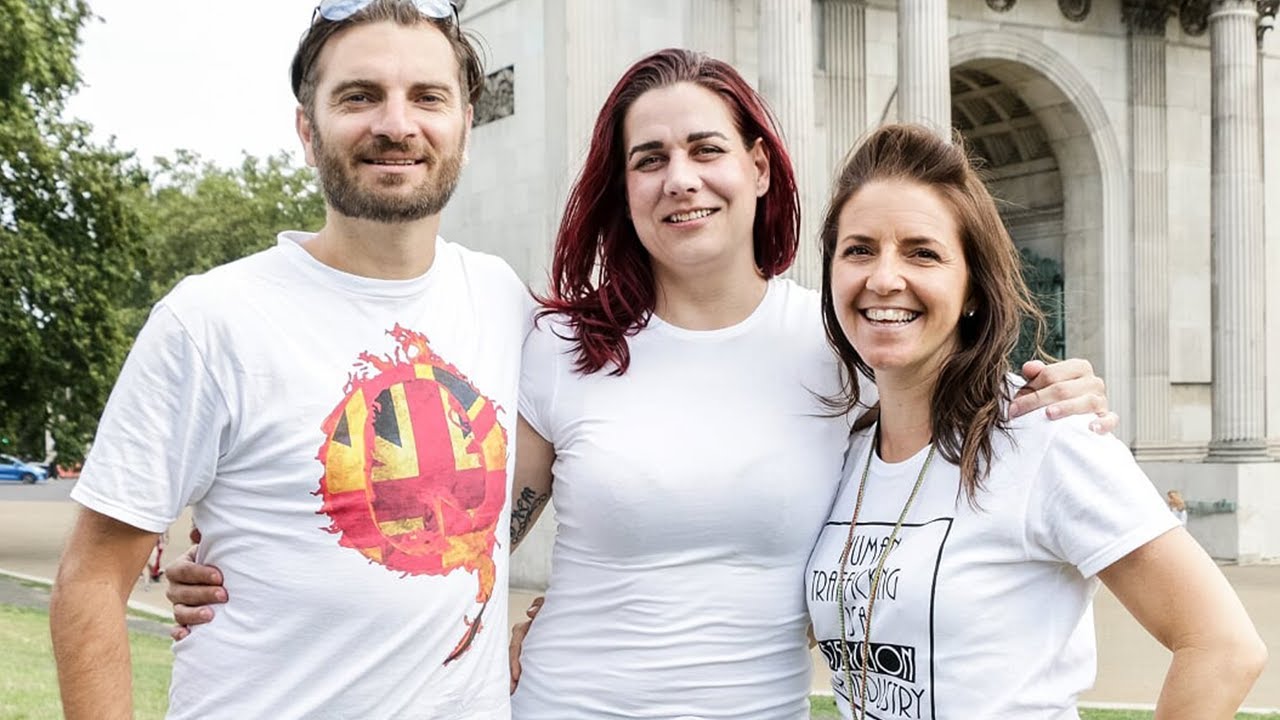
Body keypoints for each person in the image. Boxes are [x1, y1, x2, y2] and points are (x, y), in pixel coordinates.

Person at [166, 49, 1113, 718]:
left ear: (756, 163)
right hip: (566, 705)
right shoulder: (557, 346)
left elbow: (949, 408)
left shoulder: (843, 344)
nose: (680, 180)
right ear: (622, 189)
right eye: (647, 159)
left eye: (705, 149)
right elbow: (468, 529)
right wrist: (242, 558)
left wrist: (1063, 393)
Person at [49, 2, 527, 718]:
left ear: (464, 125)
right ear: (308, 131)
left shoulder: (504, 301)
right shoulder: (209, 320)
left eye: (428, 97)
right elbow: (88, 582)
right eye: (359, 96)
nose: (396, 124)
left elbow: (544, 470)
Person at [806, 124, 1265, 718]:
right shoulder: (844, 453)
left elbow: (1224, 647)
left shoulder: (1044, 432)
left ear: (971, 287)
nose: (884, 277)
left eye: (923, 252)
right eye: (859, 249)